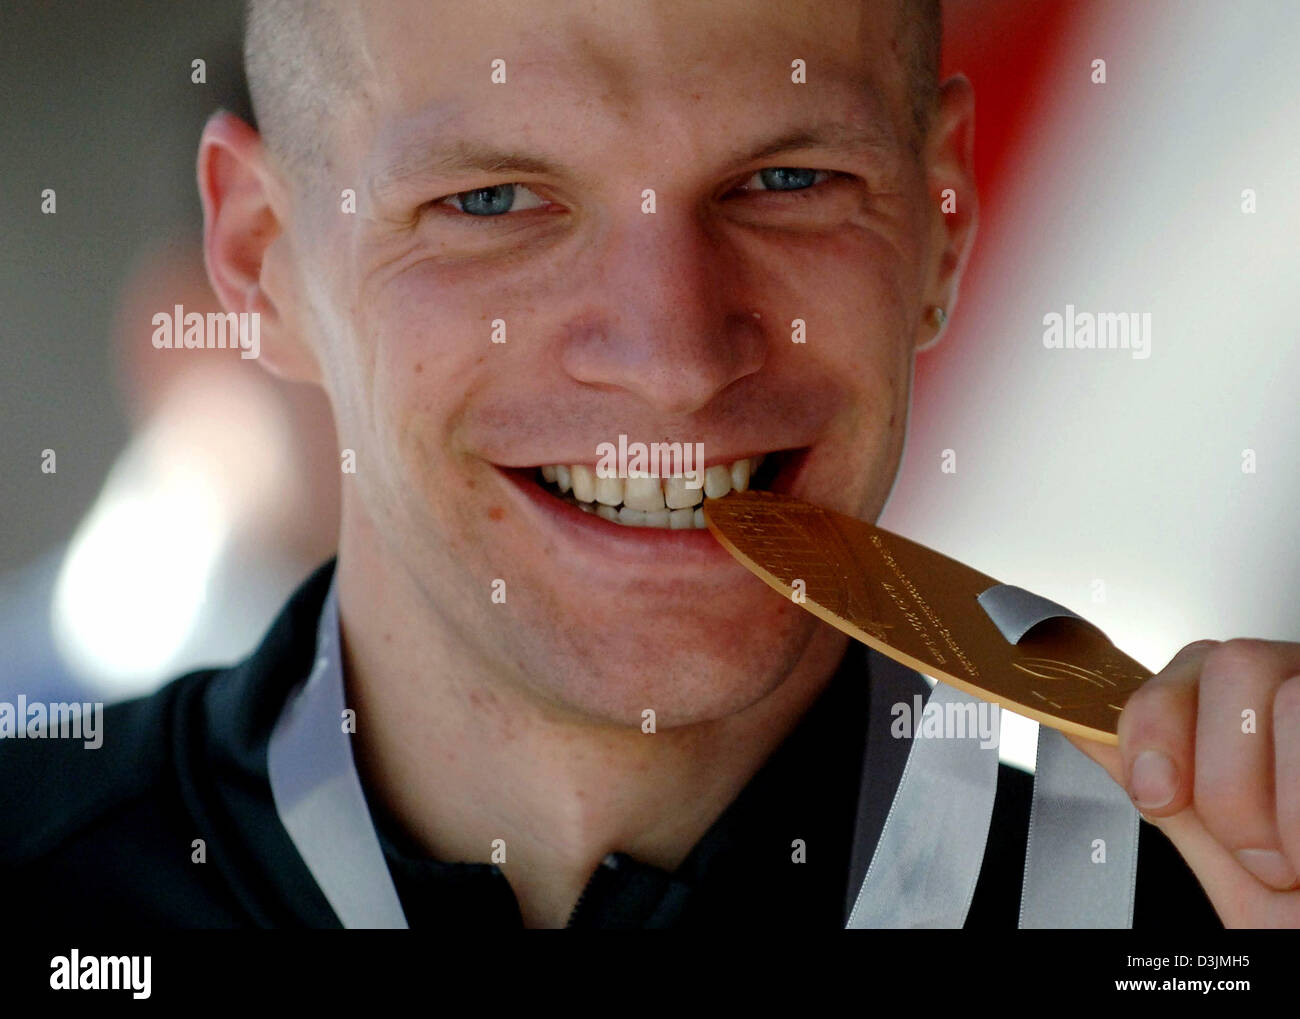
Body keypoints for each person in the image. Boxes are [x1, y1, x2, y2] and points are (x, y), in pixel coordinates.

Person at [2, 0, 1297, 929]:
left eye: (787, 180)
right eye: (495, 202)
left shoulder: (1195, 919)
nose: (674, 356)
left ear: (939, 220)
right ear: (262, 260)